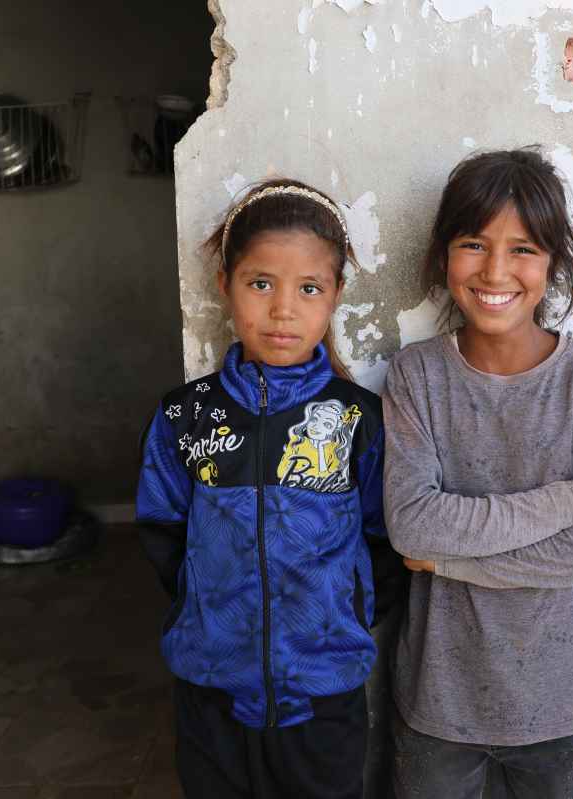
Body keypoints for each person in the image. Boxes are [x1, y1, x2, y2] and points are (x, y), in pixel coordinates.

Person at [383, 148, 573, 799]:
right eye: (473, 244)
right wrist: (562, 503)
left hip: (559, 702)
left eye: (523, 248)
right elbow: (413, 526)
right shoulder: (416, 375)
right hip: (438, 701)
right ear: (443, 255)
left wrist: (454, 562)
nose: (495, 270)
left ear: (553, 261)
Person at [136, 178, 396, 799]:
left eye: (309, 288)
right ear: (226, 283)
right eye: (261, 284)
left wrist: (343, 617)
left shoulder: (358, 417)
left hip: (322, 691)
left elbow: (383, 539)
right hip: (211, 688)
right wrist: (211, 608)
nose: (284, 309)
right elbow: (163, 531)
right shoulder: (185, 417)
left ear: (334, 295)